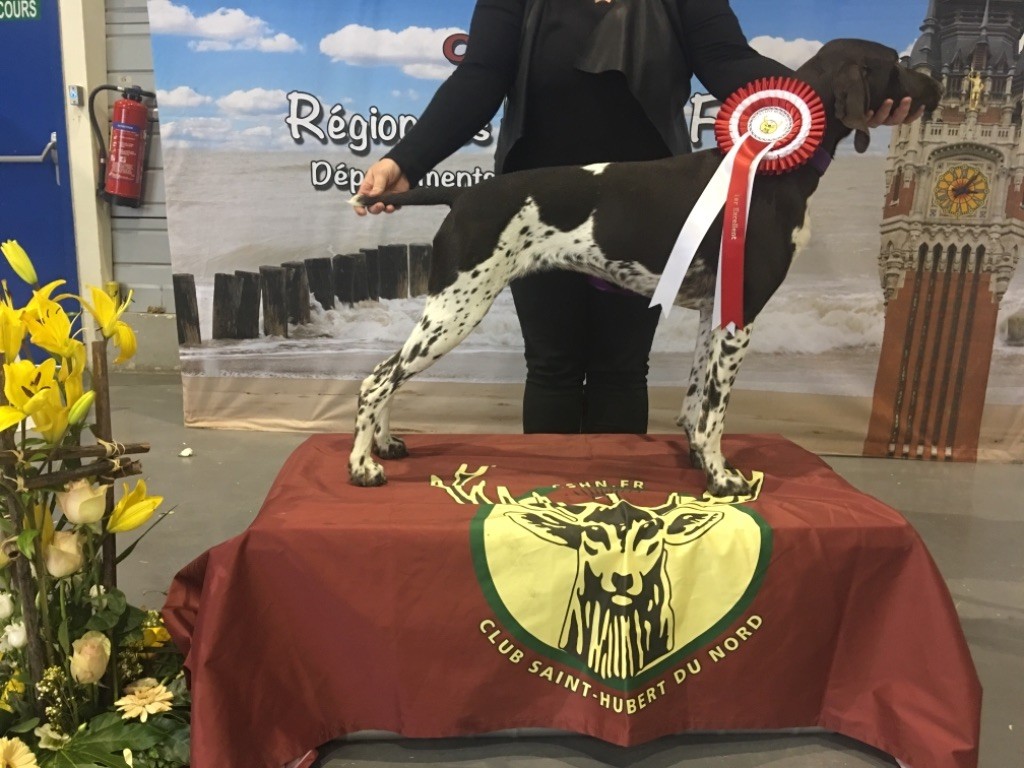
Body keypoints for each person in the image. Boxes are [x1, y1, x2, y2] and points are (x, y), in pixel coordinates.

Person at [355, 0, 919, 435]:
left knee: (621, 368)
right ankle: (546, 509)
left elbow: (729, 61)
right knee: (550, 365)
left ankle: (618, 505)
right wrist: (406, 161)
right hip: (537, 199)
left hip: (653, 205)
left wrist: (836, 99)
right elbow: (480, 77)